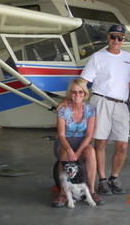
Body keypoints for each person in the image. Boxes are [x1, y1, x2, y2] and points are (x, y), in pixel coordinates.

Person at [57, 24, 130, 195]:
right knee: (100, 143)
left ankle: (114, 178)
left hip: (122, 104)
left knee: (123, 146)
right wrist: (67, 99)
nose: (116, 40)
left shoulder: (128, 57)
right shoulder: (97, 57)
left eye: (120, 38)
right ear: (107, 38)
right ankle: (102, 180)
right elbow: (83, 81)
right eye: (113, 37)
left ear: (123, 39)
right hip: (101, 101)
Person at [52, 78, 104, 208]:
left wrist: (79, 151)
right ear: (70, 93)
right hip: (64, 142)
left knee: (91, 152)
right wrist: (70, 150)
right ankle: (63, 194)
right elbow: (61, 135)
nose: (77, 95)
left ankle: (91, 192)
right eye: (74, 92)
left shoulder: (90, 109)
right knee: (64, 153)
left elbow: (89, 135)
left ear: (85, 93)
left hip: (82, 142)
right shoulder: (63, 110)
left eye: (80, 92)